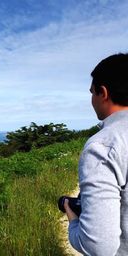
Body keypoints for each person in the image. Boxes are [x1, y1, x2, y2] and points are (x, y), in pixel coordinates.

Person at [65, 53, 128, 255]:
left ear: (103, 92)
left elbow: (98, 247)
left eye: (92, 93)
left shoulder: (103, 145)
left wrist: (73, 221)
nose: (91, 100)